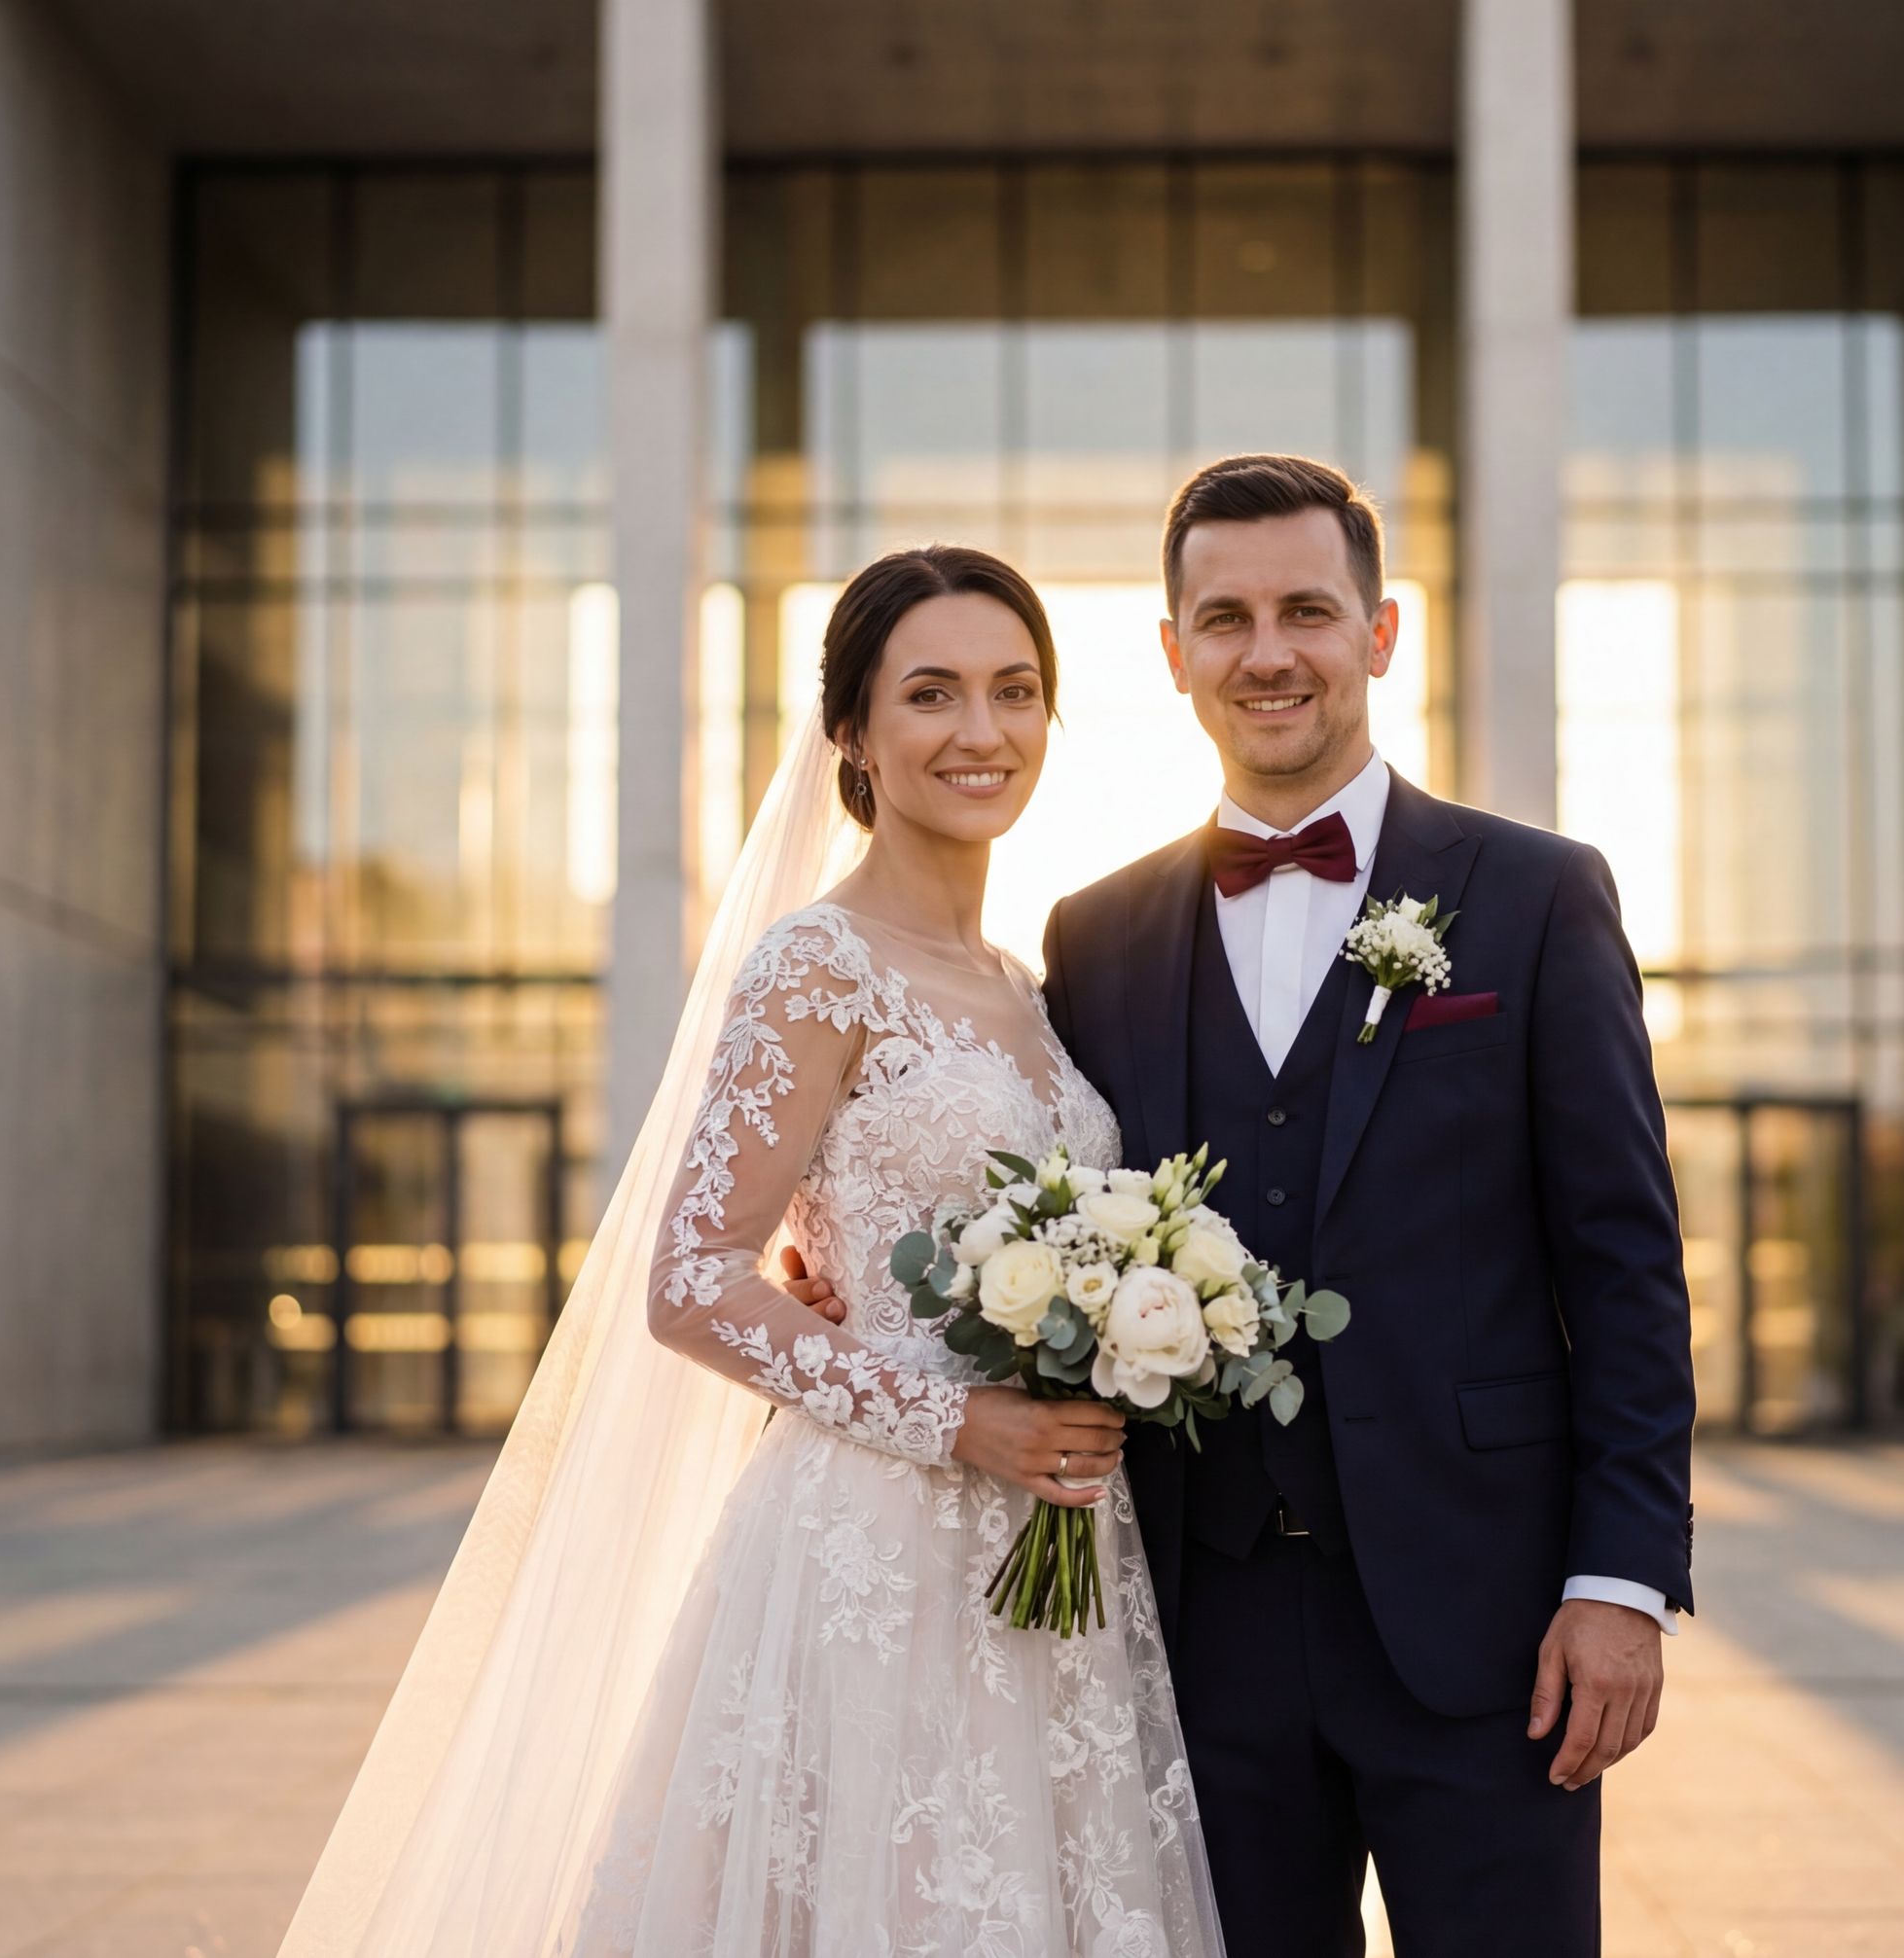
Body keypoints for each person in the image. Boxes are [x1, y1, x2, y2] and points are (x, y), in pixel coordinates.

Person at [278, 546, 1223, 1955]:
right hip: (881, 1541)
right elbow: (691, 1282)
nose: (982, 729)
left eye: (1016, 690)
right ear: (853, 733)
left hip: (1054, 1546)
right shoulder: (815, 964)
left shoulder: (1029, 986)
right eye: (931, 693)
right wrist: (958, 1417)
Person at [1035, 454, 1696, 1955]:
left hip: (1492, 1619)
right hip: (1200, 1634)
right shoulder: (1095, 934)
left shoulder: (1536, 894)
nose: (1266, 651)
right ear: (1173, 653)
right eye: (1225, 618)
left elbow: (1626, 1266)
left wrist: (1621, 1581)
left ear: (1381, 632)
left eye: (1307, 611)